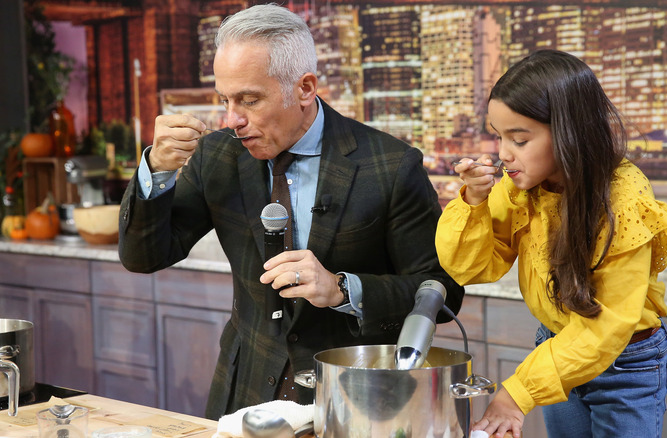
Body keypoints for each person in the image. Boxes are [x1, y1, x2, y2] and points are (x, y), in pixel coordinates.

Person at [118, 4, 464, 420]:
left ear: (304, 88)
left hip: (355, 399)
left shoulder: (391, 166)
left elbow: (442, 292)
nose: (233, 120)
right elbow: (143, 257)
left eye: (250, 100)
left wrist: (341, 289)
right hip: (244, 392)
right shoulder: (217, 156)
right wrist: (156, 169)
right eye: (225, 99)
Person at [436, 49, 667, 438]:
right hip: (556, 346)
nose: (502, 154)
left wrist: (517, 394)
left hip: (625, 363)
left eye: (519, 139)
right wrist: (473, 202)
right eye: (498, 136)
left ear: (571, 131)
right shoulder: (522, 187)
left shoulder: (622, 196)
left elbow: (607, 327)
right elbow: (472, 268)